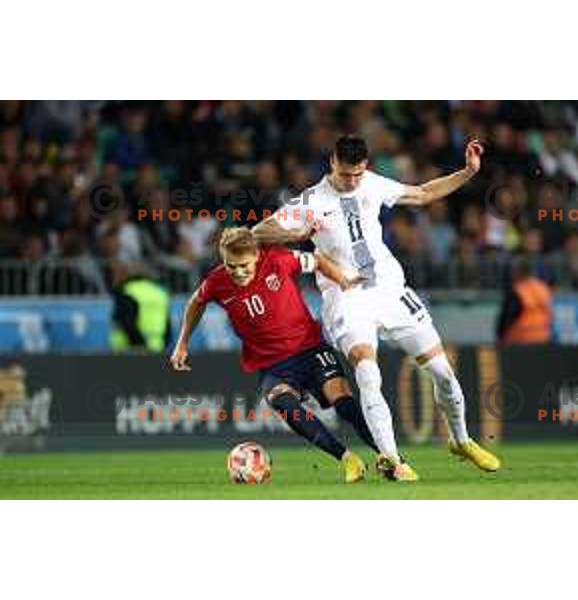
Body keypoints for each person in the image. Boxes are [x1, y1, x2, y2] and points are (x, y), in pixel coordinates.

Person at [253, 134, 501, 478]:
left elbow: (424, 193)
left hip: (390, 290)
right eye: (345, 174)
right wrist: (293, 235)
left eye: (356, 174)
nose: (351, 181)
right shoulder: (309, 201)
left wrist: (468, 172)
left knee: (443, 371)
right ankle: (392, 459)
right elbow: (259, 232)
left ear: (365, 167)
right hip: (347, 296)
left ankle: (461, 440)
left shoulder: (372, 184)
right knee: (368, 372)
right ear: (332, 164)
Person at [169, 227, 389, 483]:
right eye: (231, 266)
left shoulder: (278, 260)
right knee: (287, 407)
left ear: (257, 255)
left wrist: (342, 280)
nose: (238, 272)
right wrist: (182, 343)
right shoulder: (217, 282)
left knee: (343, 403)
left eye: (244, 265)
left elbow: (316, 260)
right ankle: (348, 459)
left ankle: (388, 455)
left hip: (310, 349)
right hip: (273, 365)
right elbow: (196, 301)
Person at [110, 263, 171, 352]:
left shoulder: (126, 291)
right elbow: (168, 328)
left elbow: (127, 323)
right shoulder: (160, 293)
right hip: (157, 348)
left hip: (129, 350)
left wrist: (142, 347)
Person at [497, 259, 553, 344]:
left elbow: (506, 318)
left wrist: (501, 337)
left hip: (521, 339)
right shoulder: (543, 288)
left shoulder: (517, 291)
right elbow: (550, 313)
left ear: (517, 272)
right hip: (543, 338)